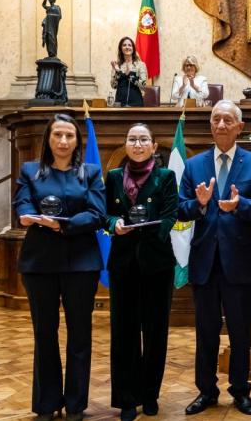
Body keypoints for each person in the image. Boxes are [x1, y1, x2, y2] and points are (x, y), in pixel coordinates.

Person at [178, 100, 251, 416]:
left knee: (240, 333)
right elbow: (180, 209)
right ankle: (206, 391)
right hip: (205, 263)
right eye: (215, 119)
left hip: (240, 264)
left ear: (239, 127)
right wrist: (200, 205)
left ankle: (240, 391)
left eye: (227, 120)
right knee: (205, 333)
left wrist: (240, 204)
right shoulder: (194, 165)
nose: (220, 125)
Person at [12, 114, 106, 421]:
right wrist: (28, 215)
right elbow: (22, 203)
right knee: (44, 334)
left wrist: (60, 227)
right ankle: (47, 403)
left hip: (81, 263)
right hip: (39, 264)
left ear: (78, 141)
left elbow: (97, 214)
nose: (63, 141)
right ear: (48, 140)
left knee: (80, 335)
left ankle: (76, 404)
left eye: (69, 136)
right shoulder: (30, 171)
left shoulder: (90, 172)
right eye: (58, 135)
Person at [104, 124, 178, 420]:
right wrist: (114, 225)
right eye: (132, 139)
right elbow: (106, 213)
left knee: (155, 332)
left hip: (157, 264)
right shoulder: (112, 177)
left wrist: (150, 230)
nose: (137, 144)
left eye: (143, 139)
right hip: (122, 264)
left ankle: (150, 395)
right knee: (123, 332)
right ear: (125, 145)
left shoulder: (166, 177)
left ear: (153, 145)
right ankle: (126, 398)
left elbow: (171, 214)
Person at [110, 36, 148, 107]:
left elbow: (144, 86)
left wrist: (129, 75)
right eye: (124, 45)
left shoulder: (140, 65)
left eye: (129, 45)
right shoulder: (117, 65)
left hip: (136, 103)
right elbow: (113, 85)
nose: (127, 47)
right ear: (121, 49)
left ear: (133, 48)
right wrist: (117, 72)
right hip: (119, 104)